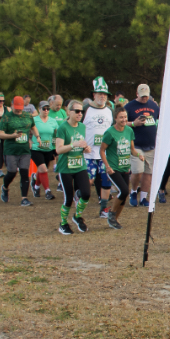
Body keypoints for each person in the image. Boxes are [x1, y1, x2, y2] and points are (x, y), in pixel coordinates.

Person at [0, 96, 41, 207]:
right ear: (12, 105)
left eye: (20, 107)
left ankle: (24, 198)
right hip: (11, 149)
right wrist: (12, 135)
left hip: (24, 149)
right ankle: (5, 187)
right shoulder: (6, 117)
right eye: (16, 107)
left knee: (24, 173)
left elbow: (33, 127)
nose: (18, 110)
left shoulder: (28, 116)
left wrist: (38, 137)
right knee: (12, 172)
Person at [101, 106, 141, 229]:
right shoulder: (110, 133)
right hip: (113, 168)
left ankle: (114, 220)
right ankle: (111, 213)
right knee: (124, 191)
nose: (124, 119)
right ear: (115, 118)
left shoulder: (129, 131)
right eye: (121, 117)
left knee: (123, 196)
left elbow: (132, 150)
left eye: (125, 117)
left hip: (125, 167)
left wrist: (139, 155)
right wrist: (107, 166)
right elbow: (102, 150)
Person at [55, 101, 91, 234]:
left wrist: (85, 148)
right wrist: (73, 144)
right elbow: (58, 150)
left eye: (81, 111)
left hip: (80, 165)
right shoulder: (63, 128)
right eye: (76, 111)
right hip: (66, 168)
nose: (79, 114)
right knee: (68, 198)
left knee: (86, 193)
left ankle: (77, 216)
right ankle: (63, 223)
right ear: (69, 112)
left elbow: (82, 144)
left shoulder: (82, 127)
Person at [83, 77, 115, 217]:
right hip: (88, 153)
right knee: (89, 180)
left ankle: (103, 208)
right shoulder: (85, 110)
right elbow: (76, 128)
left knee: (106, 180)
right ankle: (79, 195)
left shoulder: (109, 111)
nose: (102, 96)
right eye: (99, 93)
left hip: (104, 154)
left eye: (104, 94)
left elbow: (113, 130)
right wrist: (82, 145)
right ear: (93, 95)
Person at [124, 84, 160, 207]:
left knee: (148, 172)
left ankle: (144, 197)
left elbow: (160, 119)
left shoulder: (154, 106)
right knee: (137, 170)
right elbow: (120, 123)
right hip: (136, 145)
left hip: (151, 145)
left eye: (146, 96)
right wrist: (133, 123)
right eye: (142, 95)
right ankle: (134, 192)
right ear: (137, 93)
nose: (145, 98)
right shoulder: (129, 107)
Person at [30, 100, 59, 200]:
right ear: (39, 109)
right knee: (43, 169)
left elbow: (58, 133)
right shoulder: (34, 120)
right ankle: (48, 191)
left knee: (42, 170)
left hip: (48, 149)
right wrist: (29, 141)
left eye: (48, 109)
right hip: (36, 148)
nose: (46, 110)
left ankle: (36, 187)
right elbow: (26, 131)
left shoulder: (53, 121)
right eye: (44, 108)